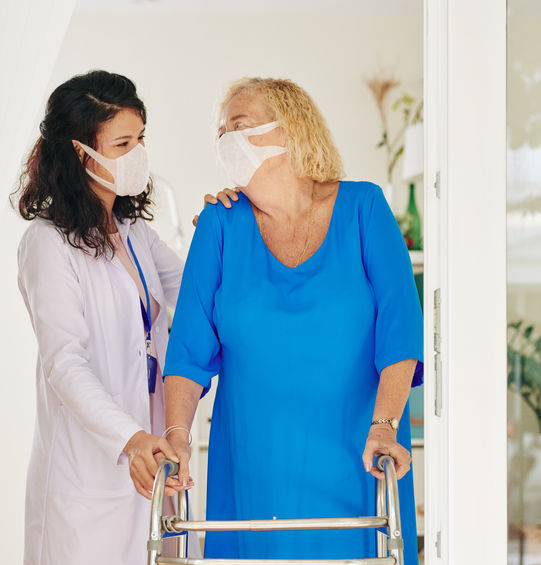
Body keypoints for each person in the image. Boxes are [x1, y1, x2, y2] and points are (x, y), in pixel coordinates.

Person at [137, 77, 424, 562]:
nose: (227, 139)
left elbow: (401, 333)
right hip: (253, 465)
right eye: (221, 131)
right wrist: (178, 437)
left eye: (240, 126)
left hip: (358, 453)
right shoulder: (220, 225)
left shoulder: (364, 209)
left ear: (291, 130)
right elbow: (187, 351)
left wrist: (386, 426)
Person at [14, 70, 202, 565]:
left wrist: (224, 230)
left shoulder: (132, 230)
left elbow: (194, 296)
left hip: (154, 462)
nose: (137, 153)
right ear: (80, 152)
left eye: (140, 139)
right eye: (122, 143)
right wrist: (131, 437)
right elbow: (64, 363)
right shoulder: (47, 243)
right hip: (88, 480)